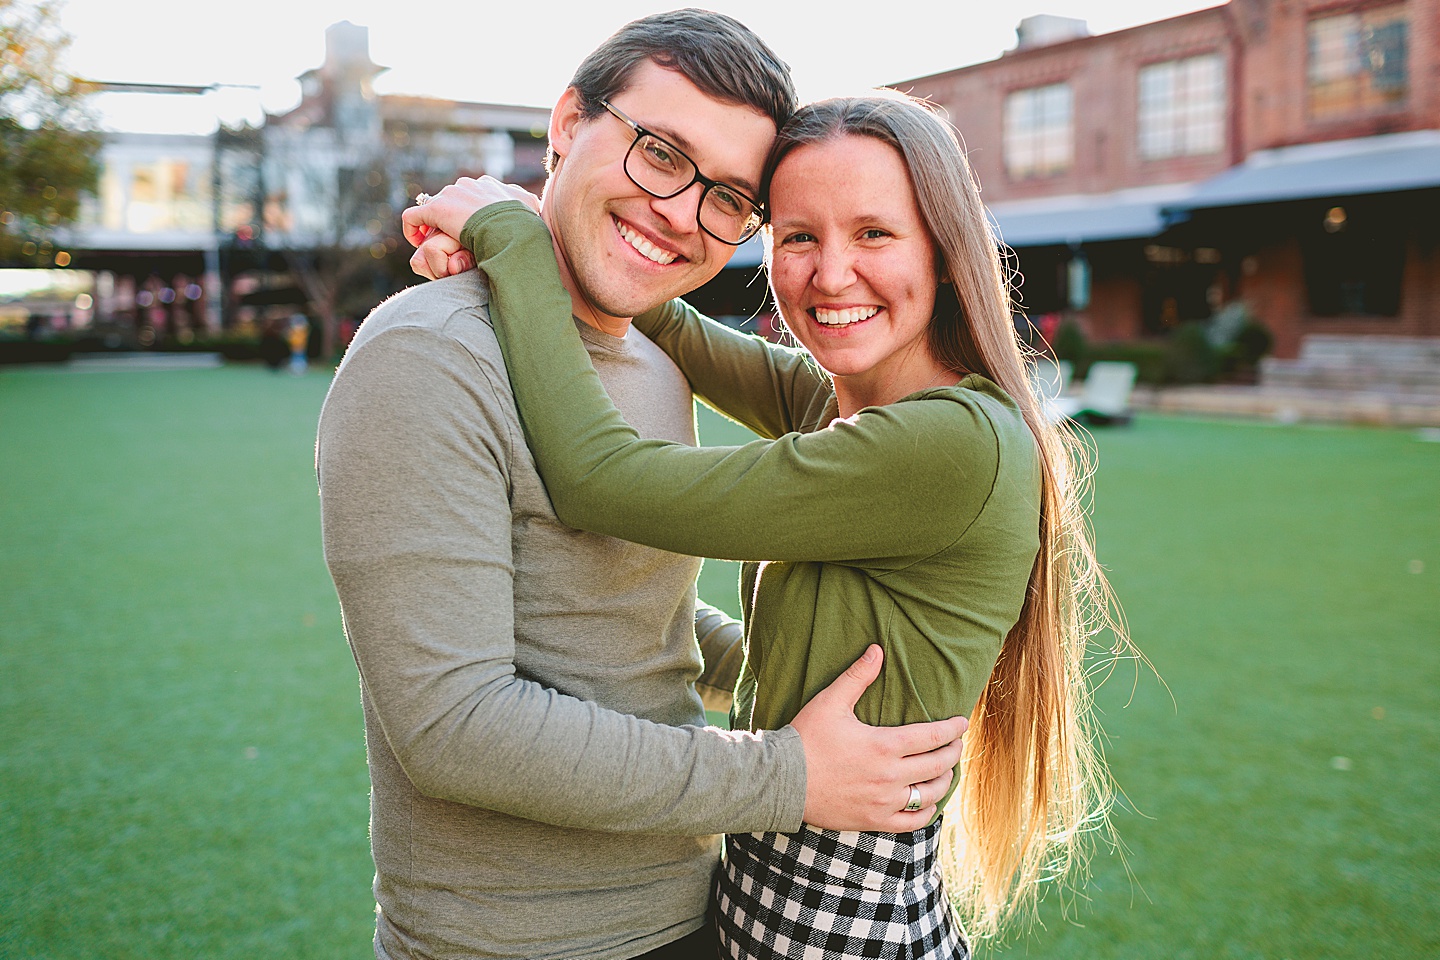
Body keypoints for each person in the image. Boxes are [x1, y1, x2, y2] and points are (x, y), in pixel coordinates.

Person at [406, 91, 1125, 958]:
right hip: (766, 908)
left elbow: (602, 481)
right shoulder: (846, 406)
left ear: (944, 251)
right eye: (797, 236)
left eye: (873, 233)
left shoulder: (947, 443)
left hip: (845, 930)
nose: (829, 275)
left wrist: (517, 245)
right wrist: (555, 219)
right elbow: (674, 322)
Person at [317, 13, 970, 960]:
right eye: (662, 153)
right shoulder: (430, 355)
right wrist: (788, 774)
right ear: (569, 123)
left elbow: (623, 600)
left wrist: (783, 680)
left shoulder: (657, 356)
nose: (680, 211)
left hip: (695, 909)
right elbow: (455, 727)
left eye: (729, 199)